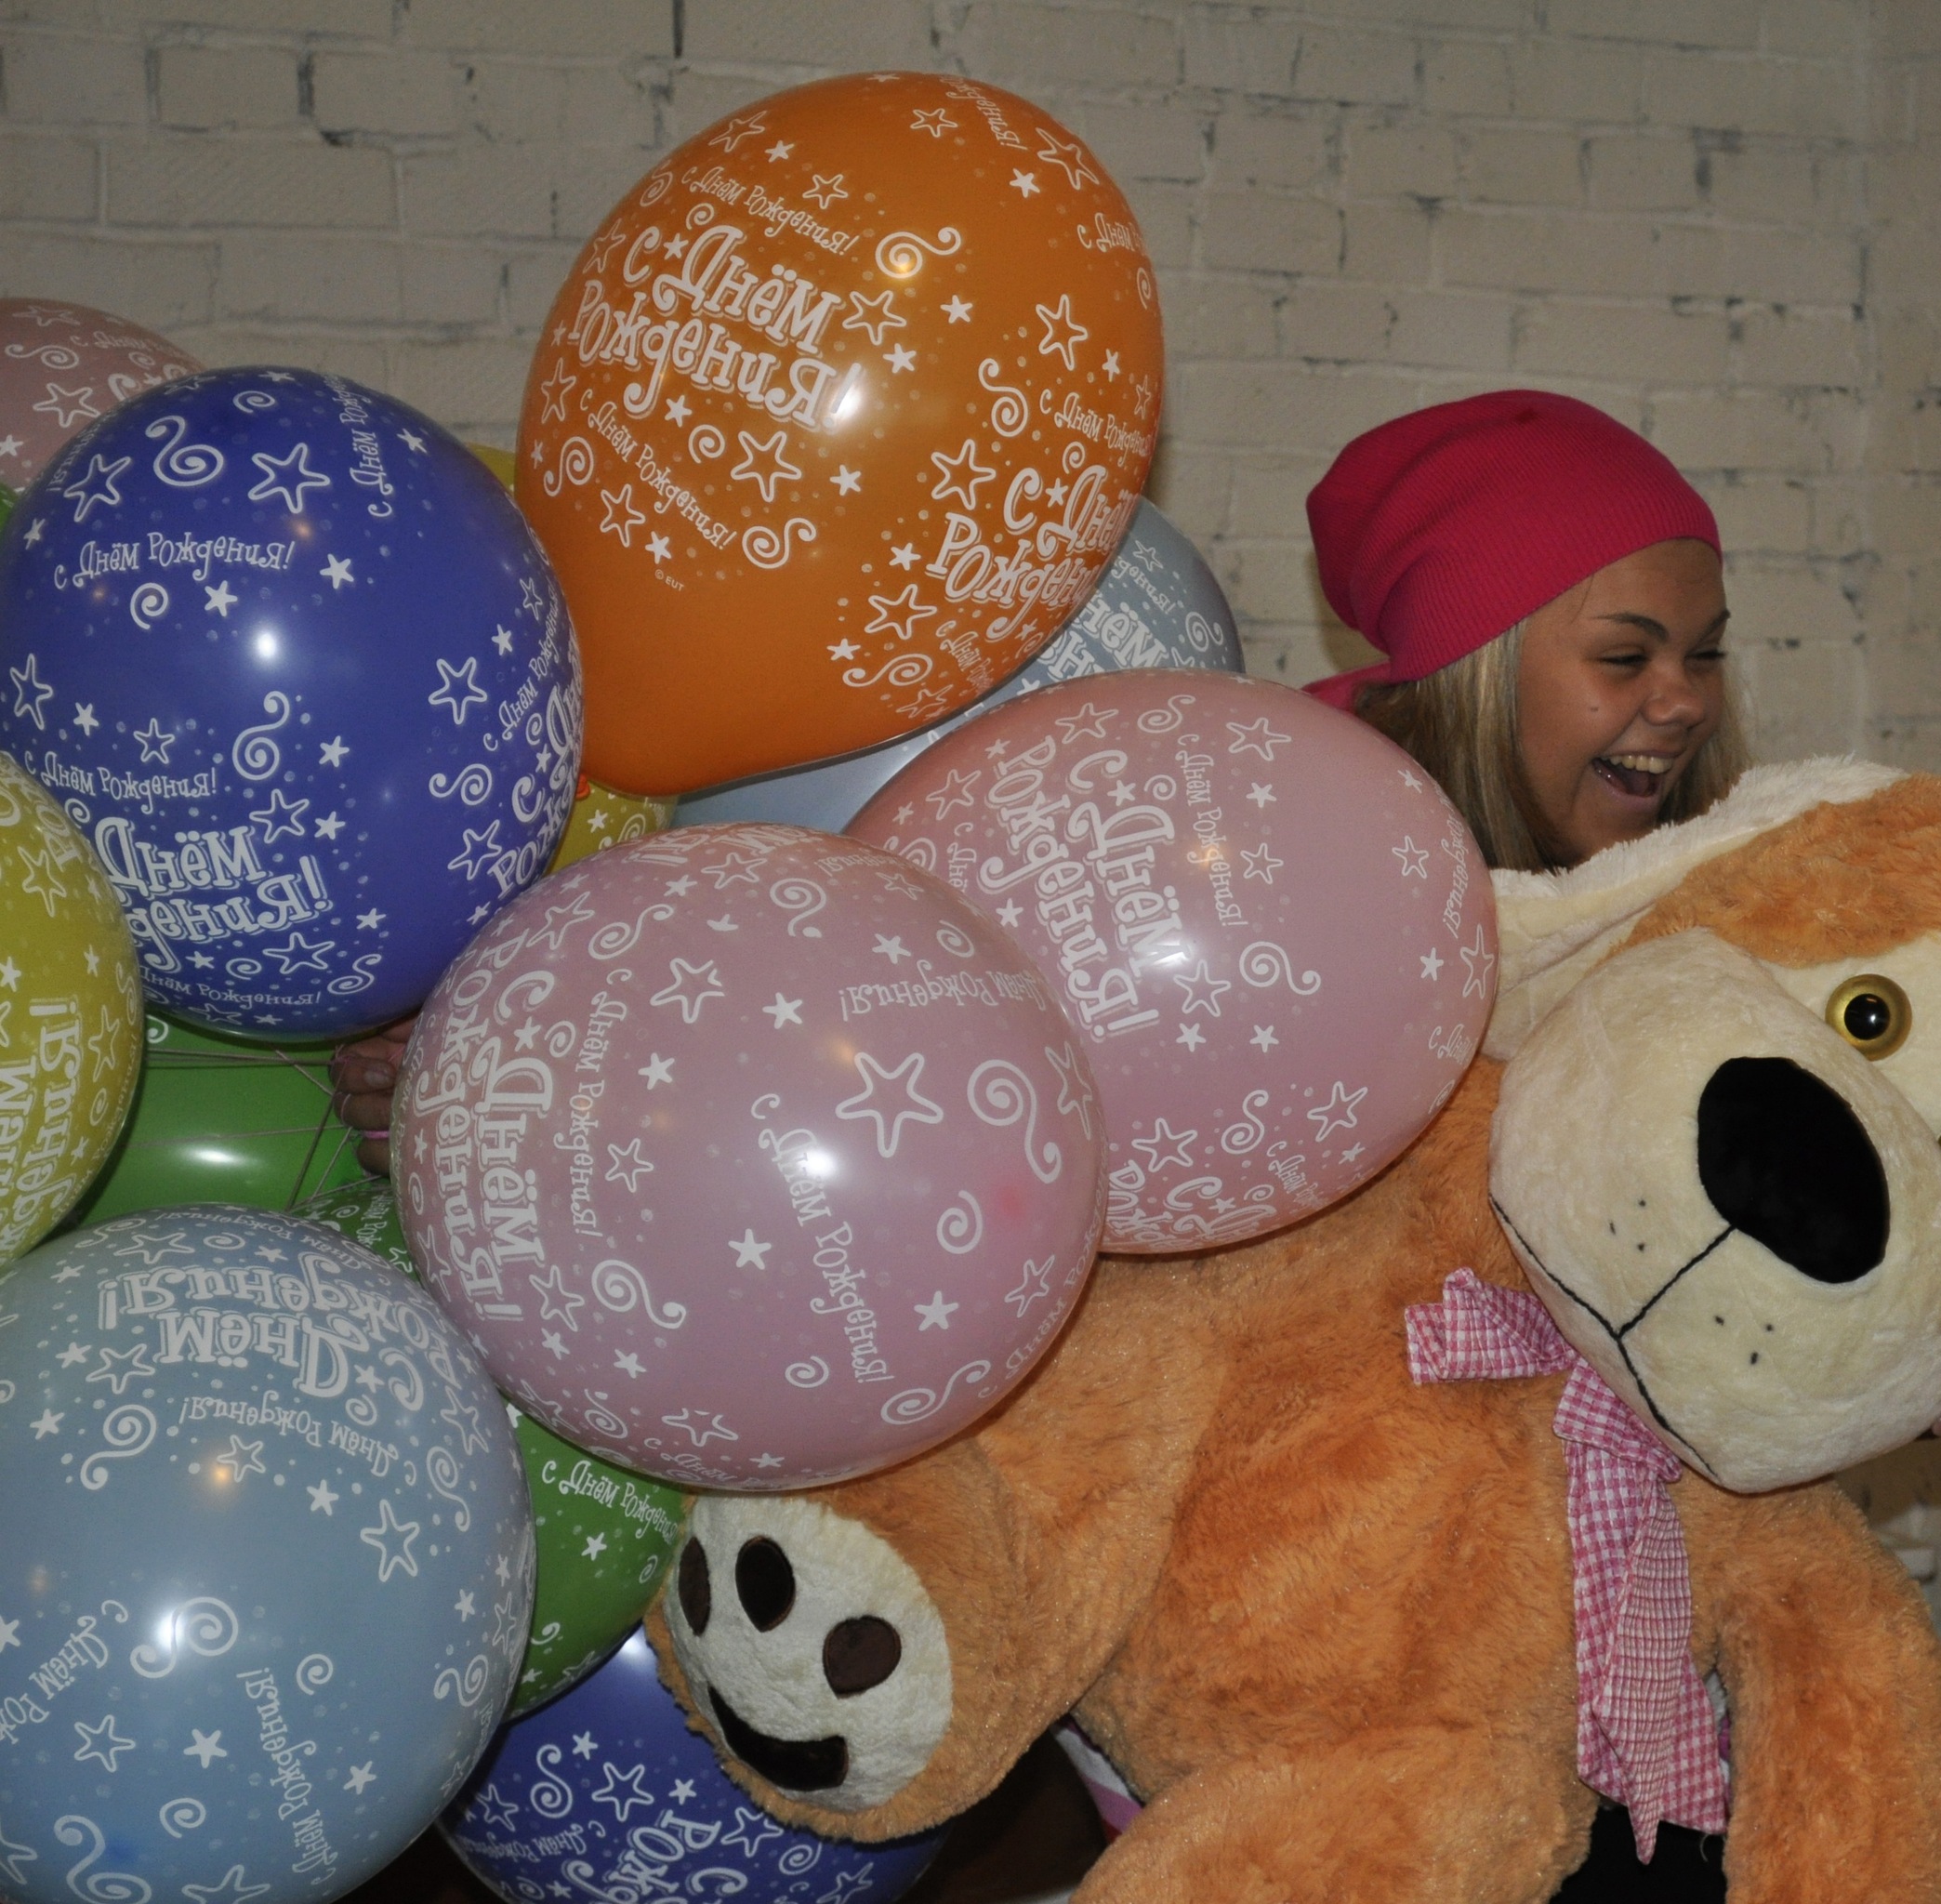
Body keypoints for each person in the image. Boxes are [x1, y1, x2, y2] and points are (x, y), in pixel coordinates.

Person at [1302, 388, 1748, 871]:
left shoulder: (1753, 887)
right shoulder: (1313, 876)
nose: (1687, 704)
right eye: (1626, 658)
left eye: (1706, 654)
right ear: (1477, 680)